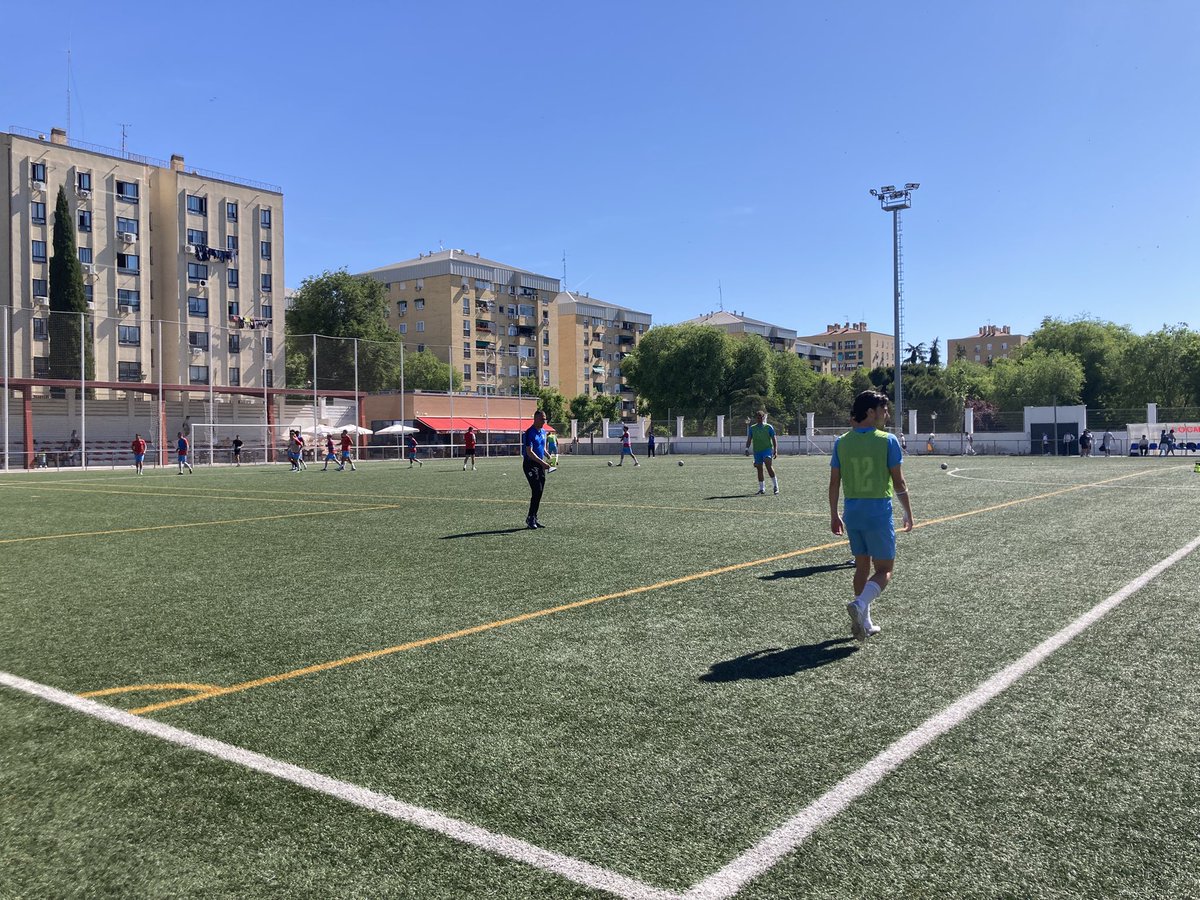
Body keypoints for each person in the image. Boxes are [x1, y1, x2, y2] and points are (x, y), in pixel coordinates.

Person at [829, 390, 914, 643]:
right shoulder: (887, 441)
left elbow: (834, 483)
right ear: (871, 412)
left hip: (852, 512)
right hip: (877, 512)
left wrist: (834, 514)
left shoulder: (842, 441)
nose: (886, 415)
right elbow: (898, 481)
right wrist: (908, 511)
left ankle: (864, 622)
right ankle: (860, 603)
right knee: (885, 569)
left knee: (862, 565)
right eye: (883, 410)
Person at [522, 409, 553, 529]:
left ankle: (533, 517)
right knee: (536, 489)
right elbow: (529, 452)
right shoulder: (529, 432)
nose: (544, 421)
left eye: (545, 419)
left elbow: (542, 448)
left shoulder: (544, 432)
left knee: (539, 492)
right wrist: (543, 463)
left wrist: (549, 456)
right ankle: (530, 518)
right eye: (542, 419)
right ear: (535, 419)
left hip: (540, 464)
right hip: (530, 464)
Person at [745, 410, 779, 495]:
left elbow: (774, 438)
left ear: (764, 417)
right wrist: (746, 448)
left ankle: (776, 486)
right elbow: (749, 439)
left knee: (768, 465)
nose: (759, 419)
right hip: (757, 451)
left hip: (767, 450)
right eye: (758, 417)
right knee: (759, 469)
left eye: (761, 417)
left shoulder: (768, 427)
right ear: (756, 418)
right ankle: (762, 489)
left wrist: (775, 450)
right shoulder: (752, 428)